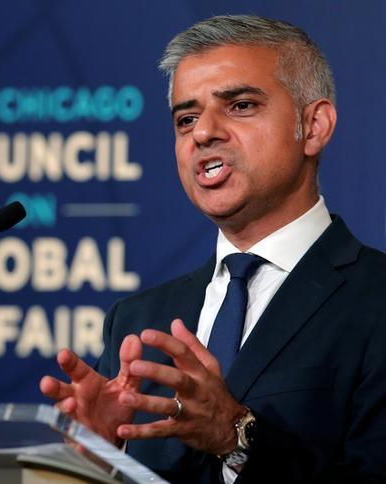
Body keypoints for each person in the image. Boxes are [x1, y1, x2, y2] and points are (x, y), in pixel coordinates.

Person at [40, 15, 386, 483]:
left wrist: (236, 437)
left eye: (240, 105)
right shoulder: (138, 321)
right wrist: (100, 458)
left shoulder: (375, 299)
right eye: (186, 118)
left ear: (314, 125)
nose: (203, 133)